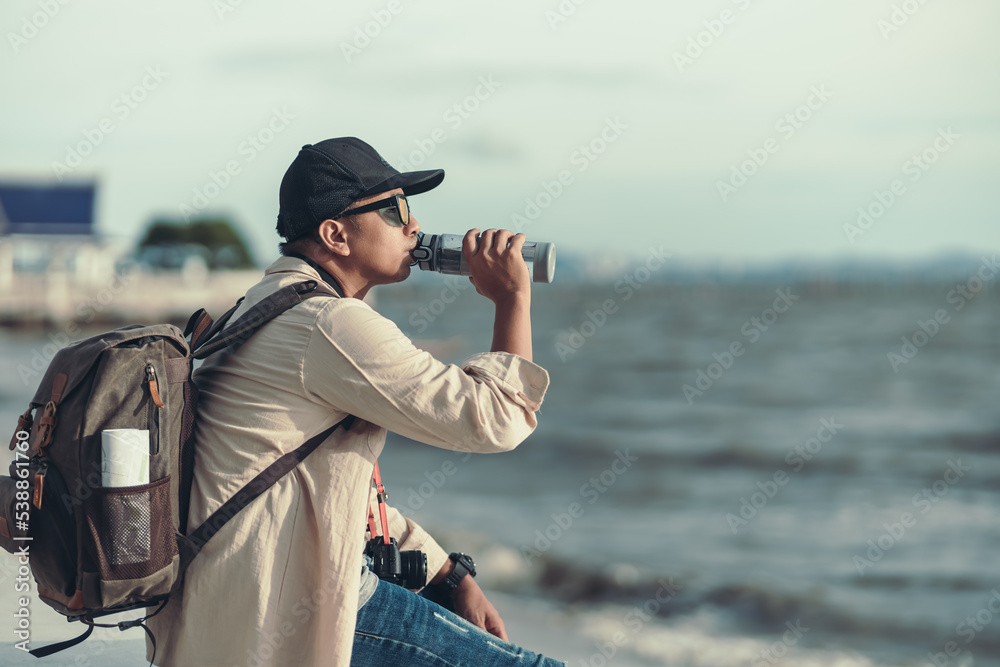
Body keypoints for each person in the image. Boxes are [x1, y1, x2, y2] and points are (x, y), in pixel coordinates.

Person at [147, 137, 564, 666]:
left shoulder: (260, 305)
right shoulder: (329, 323)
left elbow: (332, 490)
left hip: (224, 606)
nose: (413, 226)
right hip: (289, 605)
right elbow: (495, 419)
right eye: (394, 211)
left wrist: (449, 575)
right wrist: (512, 298)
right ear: (335, 234)